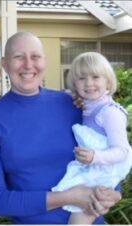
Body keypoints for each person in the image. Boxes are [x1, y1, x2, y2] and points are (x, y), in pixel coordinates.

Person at [0, 32, 121, 224]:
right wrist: (69, 197)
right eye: (19, 57)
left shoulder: (73, 105)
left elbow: (107, 158)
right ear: (5, 64)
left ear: (45, 61)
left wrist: (113, 194)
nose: (28, 65)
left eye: (35, 56)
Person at [52, 52, 132, 224]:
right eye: (81, 78)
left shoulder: (109, 112)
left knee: (79, 219)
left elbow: (123, 151)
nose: (89, 83)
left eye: (96, 77)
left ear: (108, 82)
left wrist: (96, 157)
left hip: (103, 171)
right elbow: (63, 96)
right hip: (92, 168)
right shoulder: (87, 105)